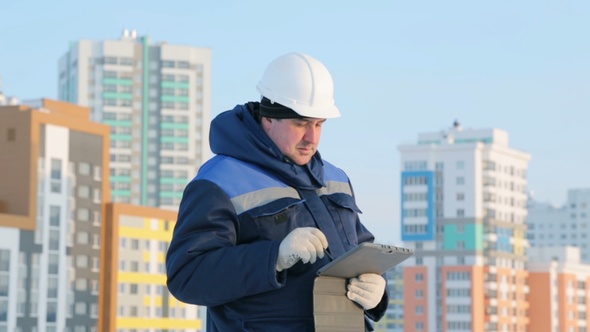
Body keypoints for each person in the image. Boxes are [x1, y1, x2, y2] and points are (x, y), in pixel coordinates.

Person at [166, 52, 388, 331]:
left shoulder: (335, 178)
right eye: (300, 124)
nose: (312, 138)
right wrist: (274, 257)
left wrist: (377, 291)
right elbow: (188, 276)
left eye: (319, 124)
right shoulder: (220, 182)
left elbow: (361, 251)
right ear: (268, 118)